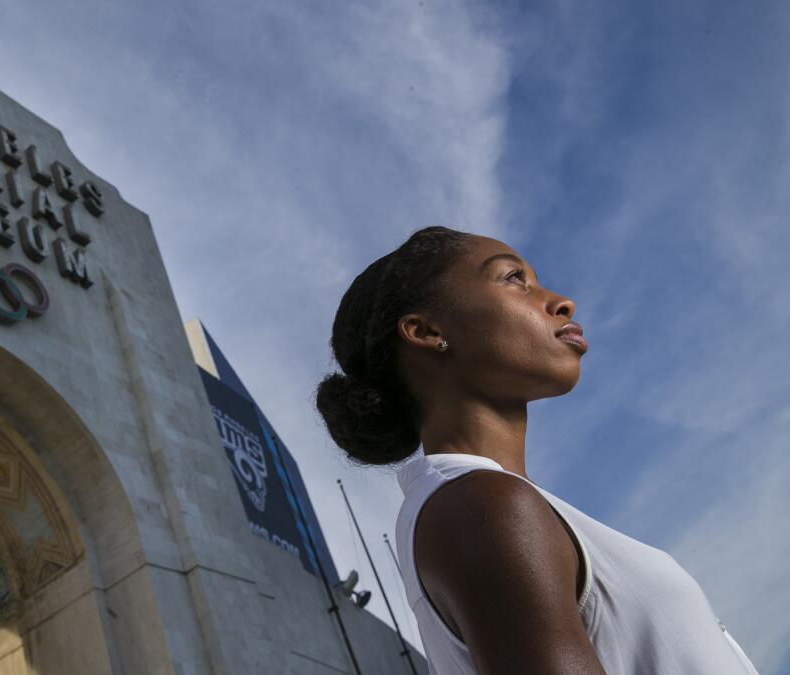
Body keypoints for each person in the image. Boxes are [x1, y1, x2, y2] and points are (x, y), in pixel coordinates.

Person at [314, 226, 759, 674]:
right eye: (513, 279)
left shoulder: (486, 503)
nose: (562, 302)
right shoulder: (486, 507)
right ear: (427, 331)